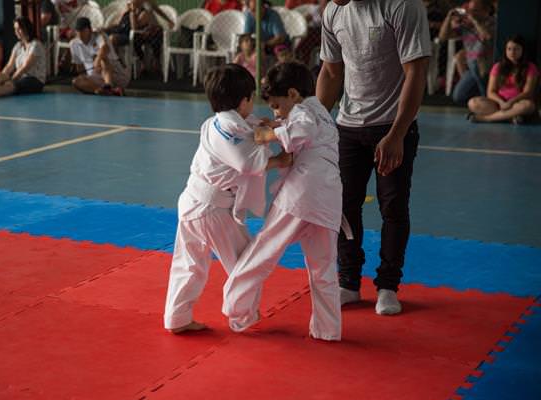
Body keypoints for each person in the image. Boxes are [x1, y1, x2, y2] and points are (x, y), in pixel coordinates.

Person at [317, 0, 431, 315]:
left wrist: (397, 134)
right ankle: (348, 282)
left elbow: (416, 71)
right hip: (348, 127)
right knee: (343, 206)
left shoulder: (402, 6)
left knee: (392, 206)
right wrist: (310, 123)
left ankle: (388, 286)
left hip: (392, 126)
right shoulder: (333, 11)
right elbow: (331, 71)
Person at [164, 64, 291, 334]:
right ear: (243, 101)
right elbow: (246, 162)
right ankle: (243, 316)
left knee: (189, 263)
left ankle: (177, 318)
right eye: (251, 98)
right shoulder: (229, 130)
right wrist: (281, 160)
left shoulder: (221, 122)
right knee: (246, 262)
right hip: (211, 209)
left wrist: (276, 127)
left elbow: (253, 131)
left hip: (193, 203)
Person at [222, 62, 344, 340]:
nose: (275, 112)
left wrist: (268, 134)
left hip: (301, 195)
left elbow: (303, 130)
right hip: (328, 200)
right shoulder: (321, 112)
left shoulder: (303, 112)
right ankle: (327, 330)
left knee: (263, 250)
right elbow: (304, 127)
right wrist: (278, 124)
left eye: (277, 105)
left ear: (292, 94)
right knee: (323, 268)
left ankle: (236, 309)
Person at [467, 35, 539, 124]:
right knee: (473, 102)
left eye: (516, 49)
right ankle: (510, 117)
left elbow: (527, 93)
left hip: (518, 103)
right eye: (509, 49)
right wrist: (501, 102)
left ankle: (486, 118)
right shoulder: (498, 67)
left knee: (528, 105)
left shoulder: (531, 67)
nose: (512, 52)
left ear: (523, 50)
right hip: (499, 104)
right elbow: (490, 92)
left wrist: (510, 102)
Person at [0, 17, 46, 98]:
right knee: (0, 74)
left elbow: (24, 68)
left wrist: (11, 79)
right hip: (21, 77)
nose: (16, 32)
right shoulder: (18, 46)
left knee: (10, 85)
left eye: (19, 29)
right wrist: (2, 76)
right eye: (15, 29)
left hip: (35, 80)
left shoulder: (36, 45)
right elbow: (9, 66)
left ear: (26, 29)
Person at [438, 0, 495, 105]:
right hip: (473, 68)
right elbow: (442, 37)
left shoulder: (492, 22)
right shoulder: (466, 25)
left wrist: (474, 20)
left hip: (488, 67)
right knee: (459, 96)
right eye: (470, 10)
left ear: (486, 11)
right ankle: (481, 99)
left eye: (475, 11)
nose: (471, 13)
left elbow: (487, 37)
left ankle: (487, 100)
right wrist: (448, 18)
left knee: (476, 64)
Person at [70, 17, 130, 96]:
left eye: (83, 31)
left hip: (116, 74)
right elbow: (80, 67)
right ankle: (107, 91)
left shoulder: (99, 36)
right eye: (78, 31)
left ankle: (109, 86)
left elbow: (105, 48)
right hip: (96, 78)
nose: (80, 33)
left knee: (103, 59)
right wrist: (84, 79)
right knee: (76, 81)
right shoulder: (74, 44)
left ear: (90, 30)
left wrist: (97, 60)